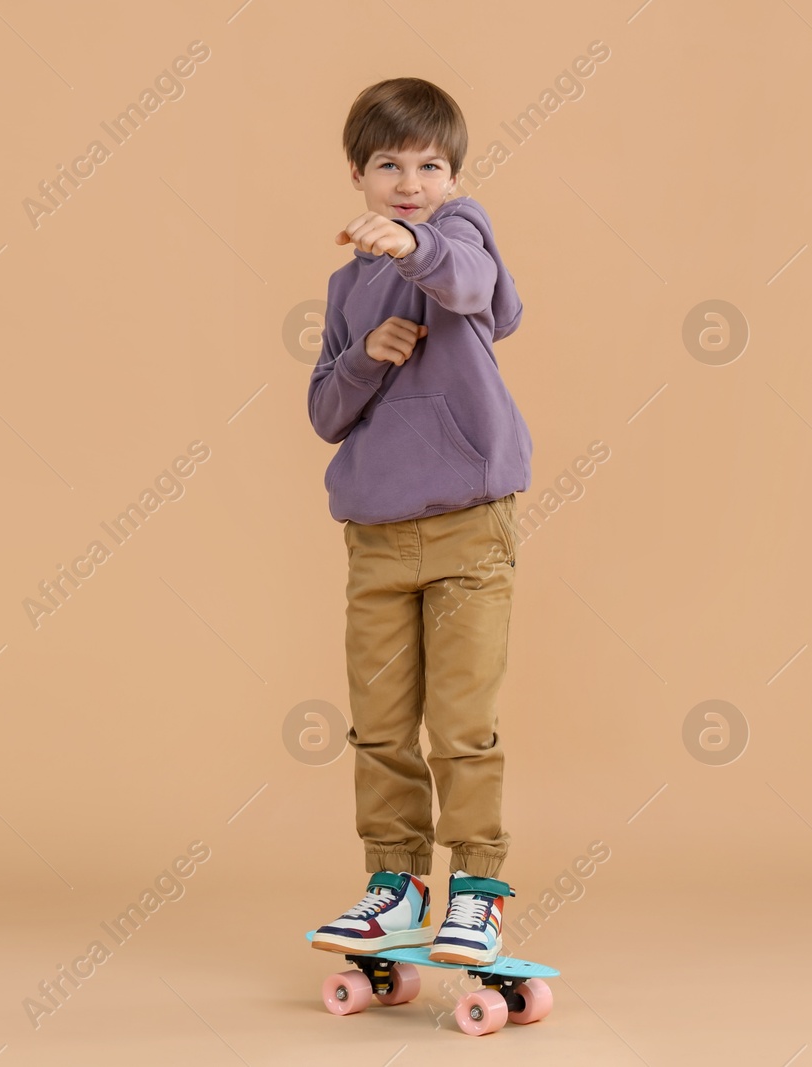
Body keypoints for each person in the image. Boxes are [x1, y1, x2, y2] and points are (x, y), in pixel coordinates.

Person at [306, 76, 531, 966]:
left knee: (463, 720)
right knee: (380, 721)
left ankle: (476, 891)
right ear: (356, 173)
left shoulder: (458, 237)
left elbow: (483, 290)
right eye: (390, 165)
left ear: (453, 176)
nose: (410, 180)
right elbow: (325, 409)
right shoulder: (343, 286)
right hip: (375, 534)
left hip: (471, 526)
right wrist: (365, 357)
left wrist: (412, 244)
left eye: (430, 166)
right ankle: (395, 884)